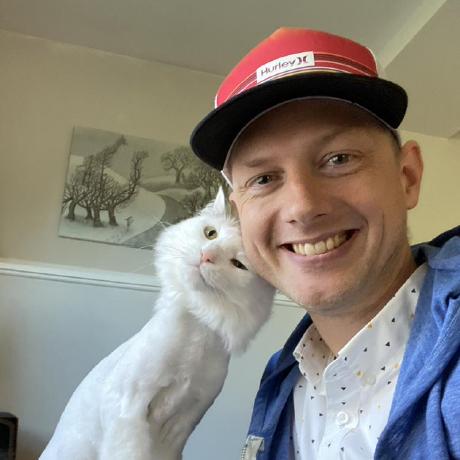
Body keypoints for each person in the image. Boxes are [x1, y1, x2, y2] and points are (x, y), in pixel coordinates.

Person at [190, 28, 460, 459]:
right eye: (264, 179)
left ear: (407, 177)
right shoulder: (281, 383)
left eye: (338, 159)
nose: (303, 207)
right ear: (240, 217)